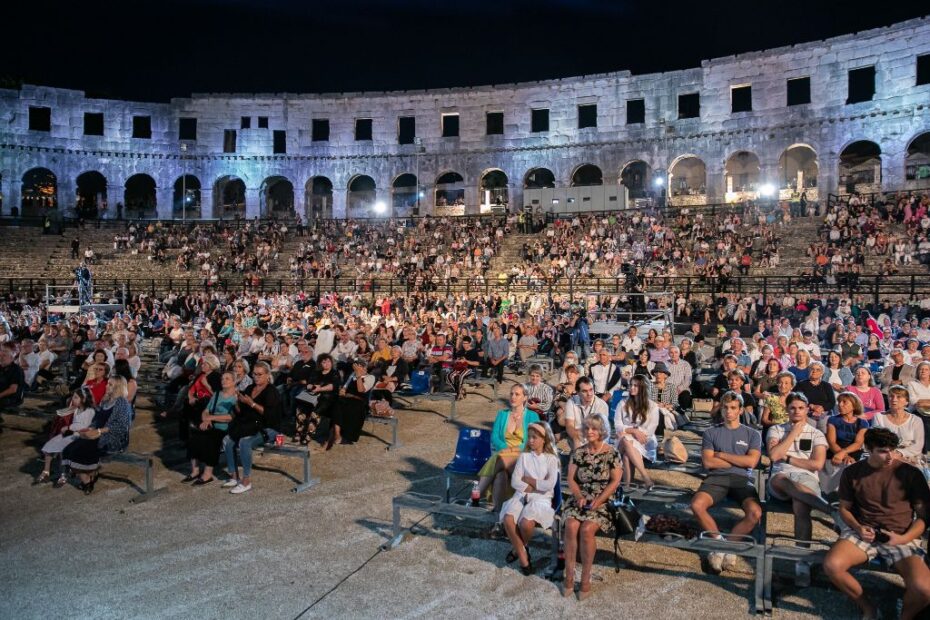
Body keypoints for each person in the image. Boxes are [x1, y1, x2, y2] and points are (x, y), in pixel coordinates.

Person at [823, 427, 930, 620]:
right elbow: (844, 509)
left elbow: (924, 517)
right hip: (864, 530)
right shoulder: (853, 472)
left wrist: (904, 538)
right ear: (868, 449)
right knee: (832, 565)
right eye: (883, 451)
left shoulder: (910, 474)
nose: (890, 456)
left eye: (892, 450)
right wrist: (858, 528)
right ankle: (869, 609)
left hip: (900, 534)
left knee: (924, 589)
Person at [766, 392, 834, 585]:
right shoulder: (776, 429)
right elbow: (774, 456)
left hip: (806, 478)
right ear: (787, 410)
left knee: (800, 504)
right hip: (781, 477)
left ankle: (801, 560)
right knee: (783, 480)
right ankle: (830, 511)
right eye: (793, 408)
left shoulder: (817, 433)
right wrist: (794, 433)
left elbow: (817, 464)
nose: (797, 411)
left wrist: (787, 457)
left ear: (806, 409)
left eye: (801, 408)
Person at [691, 391, 763, 574]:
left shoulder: (752, 434)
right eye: (725, 408)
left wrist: (721, 455)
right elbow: (708, 463)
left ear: (740, 410)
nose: (729, 411)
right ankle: (720, 543)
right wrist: (739, 460)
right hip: (717, 478)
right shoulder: (710, 432)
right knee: (697, 505)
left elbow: (751, 462)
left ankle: (728, 546)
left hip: (742, 480)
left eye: (733, 408)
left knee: (755, 513)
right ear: (721, 409)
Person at [561, 413, 622, 600]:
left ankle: (586, 577)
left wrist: (600, 500)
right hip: (580, 497)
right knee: (571, 525)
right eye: (587, 428)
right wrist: (579, 496)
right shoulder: (579, 452)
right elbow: (571, 478)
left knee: (587, 529)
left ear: (601, 431)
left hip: (603, 499)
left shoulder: (612, 453)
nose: (589, 431)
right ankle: (569, 575)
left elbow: (615, 481)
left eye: (594, 428)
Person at [500, 422, 560, 576]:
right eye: (530, 437)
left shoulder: (551, 459)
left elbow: (549, 484)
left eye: (535, 437)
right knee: (508, 518)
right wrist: (532, 486)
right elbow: (515, 481)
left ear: (544, 440)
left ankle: (517, 548)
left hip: (542, 498)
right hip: (522, 494)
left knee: (525, 523)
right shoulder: (524, 457)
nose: (531, 440)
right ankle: (523, 557)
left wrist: (529, 480)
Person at [61, 377, 134, 495]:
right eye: (108, 383)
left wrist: (99, 431)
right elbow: (97, 420)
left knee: (79, 449)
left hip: (112, 438)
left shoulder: (122, 402)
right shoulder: (106, 401)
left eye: (110, 384)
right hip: (97, 433)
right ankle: (88, 476)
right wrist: (90, 429)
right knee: (69, 447)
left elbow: (121, 425)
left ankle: (87, 481)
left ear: (118, 387)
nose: (106, 386)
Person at [475, 384, 540, 513]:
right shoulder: (502, 414)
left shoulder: (532, 416)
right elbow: (494, 437)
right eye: (511, 394)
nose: (513, 397)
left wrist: (514, 450)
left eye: (517, 394)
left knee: (499, 458)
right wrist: (506, 448)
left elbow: (533, 440)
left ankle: (476, 495)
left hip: (523, 457)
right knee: (500, 475)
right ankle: (498, 513)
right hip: (503, 454)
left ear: (525, 398)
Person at [222, 361, 282, 494]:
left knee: (245, 442)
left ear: (267, 375)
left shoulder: (271, 391)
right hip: (250, 425)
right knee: (228, 440)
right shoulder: (250, 388)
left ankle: (246, 481)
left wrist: (252, 404)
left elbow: (270, 415)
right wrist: (236, 402)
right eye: (254, 374)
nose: (256, 377)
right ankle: (234, 477)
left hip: (269, 427)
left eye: (260, 374)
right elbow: (241, 413)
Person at [184, 371, 237, 485]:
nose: (223, 381)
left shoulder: (236, 397)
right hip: (210, 425)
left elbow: (230, 417)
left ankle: (208, 474)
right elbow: (206, 410)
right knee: (194, 437)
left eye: (227, 379)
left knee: (211, 440)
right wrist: (206, 420)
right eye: (222, 379)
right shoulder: (217, 394)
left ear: (234, 382)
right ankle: (195, 471)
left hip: (226, 428)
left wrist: (211, 418)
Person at [36, 388, 96, 486]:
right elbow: (70, 419)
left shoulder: (90, 411)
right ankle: (46, 471)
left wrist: (68, 427)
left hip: (80, 436)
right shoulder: (76, 410)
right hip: (71, 433)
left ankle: (63, 474)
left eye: (76, 397)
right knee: (50, 444)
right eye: (73, 397)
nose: (73, 399)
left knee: (62, 449)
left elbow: (83, 426)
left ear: (84, 399)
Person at [614, 375, 660, 489]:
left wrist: (631, 432)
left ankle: (627, 487)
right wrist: (633, 431)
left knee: (626, 456)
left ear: (643, 388)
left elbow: (650, 430)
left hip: (644, 442)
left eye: (636, 386)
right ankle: (645, 477)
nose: (632, 388)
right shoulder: (622, 403)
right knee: (625, 440)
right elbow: (617, 425)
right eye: (631, 385)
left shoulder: (653, 406)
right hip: (622, 441)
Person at [821, 391, 870, 495]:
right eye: (839, 402)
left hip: (853, 452)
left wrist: (844, 453)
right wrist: (844, 456)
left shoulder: (862, 423)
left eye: (844, 402)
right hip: (835, 451)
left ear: (854, 405)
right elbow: (831, 442)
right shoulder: (832, 420)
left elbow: (858, 443)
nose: (840, 405)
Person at [294, 353, 339, 446]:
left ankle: (309, 435)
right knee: (300, 409)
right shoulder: (316, 372)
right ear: (320, 364)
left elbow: (333, 386)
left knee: (315, 412)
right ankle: (299, 432)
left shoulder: (334, 373)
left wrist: (320, 388)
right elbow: (309, 384)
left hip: (327, 397)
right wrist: (311, 386)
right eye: (324, 362)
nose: (327, 364)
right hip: (312, 396)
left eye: (328, 361)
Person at [872, 385, 925, 463]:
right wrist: (890, 454)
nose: (894, 399)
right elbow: (876, 441)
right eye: (891, 396)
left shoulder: (916, 420)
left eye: (899, 397)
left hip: (910, 457)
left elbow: (918, 445)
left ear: (907, 401)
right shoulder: (879, 417)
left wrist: (900, 453)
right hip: (885, 456)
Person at [329, 358, 375, 448]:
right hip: (347, 399)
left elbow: (361, 390)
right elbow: (345, 387)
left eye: (358, 367)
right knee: (336, 404)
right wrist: (342, 390)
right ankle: (337, 435)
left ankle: (342, 435)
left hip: (360, 401)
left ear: (364, 368)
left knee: (347, 407)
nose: (356, 369)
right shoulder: (352, 375)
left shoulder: (370, 377)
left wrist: (358, 375)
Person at [563, 376, 608, 452]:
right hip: (577, 435)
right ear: (578, 392)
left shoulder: (602, 405)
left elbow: (599, 430)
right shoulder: (571, 402)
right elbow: (569, 426)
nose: (589, 394)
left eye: (591, 390)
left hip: (595, 436)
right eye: (584, 391)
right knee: (576, 440)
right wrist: (575, 436)